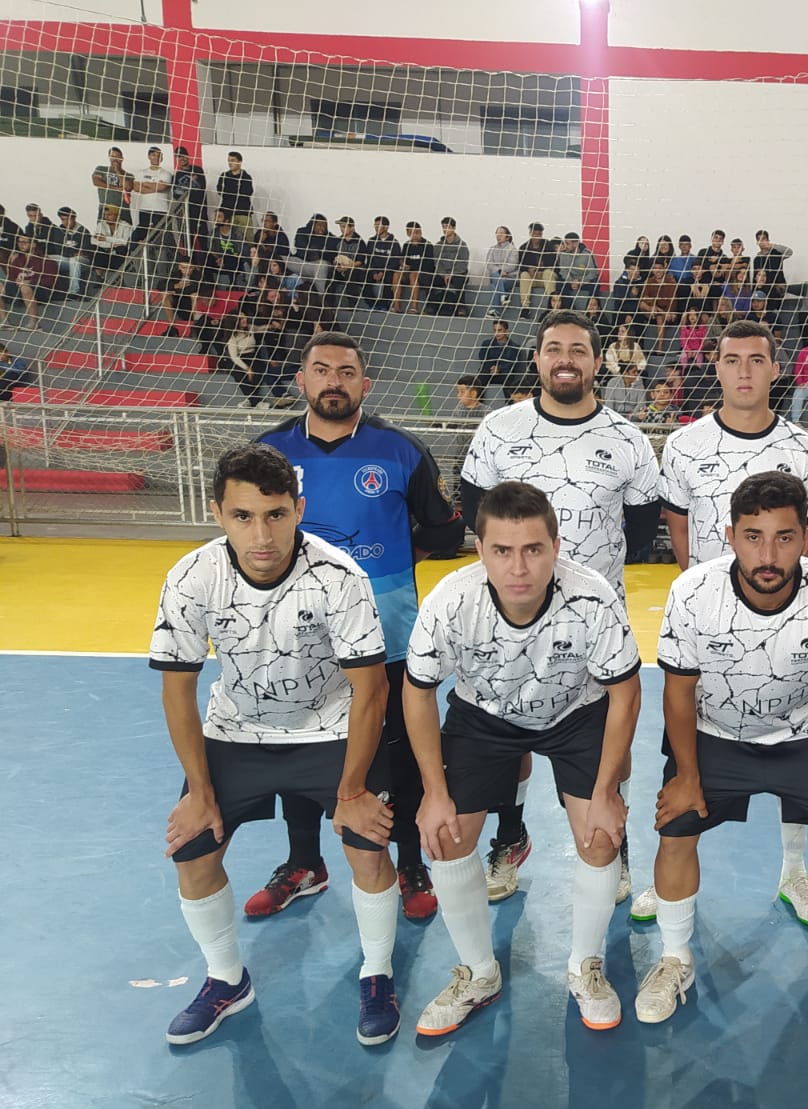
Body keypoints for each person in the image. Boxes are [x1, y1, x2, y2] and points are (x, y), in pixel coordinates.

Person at [150, 443, 401, 1047]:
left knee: (367, 845)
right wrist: (199, 792)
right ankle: (226, 979)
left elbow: (372, 689)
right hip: (237, 733)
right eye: (242, 516)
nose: (261, 534)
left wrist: (351, 791)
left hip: (332, 730)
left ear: (298, 508)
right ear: (217, 513)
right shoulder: (192, 576)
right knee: (193, 850)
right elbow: (178, 693)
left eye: (276, 514)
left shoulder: (340, 576)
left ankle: (377, 972)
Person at [403, 481, 642, 1034]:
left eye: (533, 549)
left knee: (600, 837)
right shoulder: (451, 601)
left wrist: (607, 792)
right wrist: (434, 793)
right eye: (502, 551)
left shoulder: (592, 596)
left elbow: (626, 692)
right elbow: (418, 691)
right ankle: (478, 972)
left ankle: (586, 966)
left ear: (556, 547)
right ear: (480, 549)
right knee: (445, 835)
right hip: (483, 715)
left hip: (574, 713)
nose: (518, 567)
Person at [637, 470, 808, 1026]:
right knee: (675, 827)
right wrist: (687, 774)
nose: (768, 553)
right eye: (753, 536)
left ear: (805, 538)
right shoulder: (692, 592)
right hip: (716, 736)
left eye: (784, 537)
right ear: (729, 535)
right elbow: (678, 693)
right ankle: (674, 959)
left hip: (806, 737)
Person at [250, 332, 465, 922]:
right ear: (302, 381)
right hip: (296, 638)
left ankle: (410, 862)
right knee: (302, 742)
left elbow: (446, 533)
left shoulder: (400, 450)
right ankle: (304, 863)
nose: (334, 381)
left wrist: (394, 557)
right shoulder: (269, 452)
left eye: (347, 372)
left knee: (399, 745)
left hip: (387, 633)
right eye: (321, 370)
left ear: (365, 384)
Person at [460, 311, 660, 903]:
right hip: (507, 615)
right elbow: (475, 514)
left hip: (596, 625)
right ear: (538, 359)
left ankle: (613, 846)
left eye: (578, 348)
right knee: (508, 733)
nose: (565, 358)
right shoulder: (499, 430)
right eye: (553, 348)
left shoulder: (627, 439)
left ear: (599, 362)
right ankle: (510, 835)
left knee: (607, 744)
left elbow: (643, 528)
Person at [644, 319, 808, 924]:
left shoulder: (804, 448)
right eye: (733, 360)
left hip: (786, 624)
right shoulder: (684, 444)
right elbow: (678, 525)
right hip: (709, 632)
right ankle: (672, 869)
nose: (746, 371)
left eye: (758, 360)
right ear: (718, 367)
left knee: (797, 734)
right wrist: (704, 597)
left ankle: (795, 873)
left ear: (777, 369)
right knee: (687, 744)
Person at [475, 320, 528, 401]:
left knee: (511, 381)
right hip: (489, 372)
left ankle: (510, 404)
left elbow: (511, 364)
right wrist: (492, 368)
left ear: (506, 331)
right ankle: (477, 404)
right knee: (479, 379)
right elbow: (483, 358)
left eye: (499, 330)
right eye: (494, 330)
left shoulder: (514, 347)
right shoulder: (486, 343)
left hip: (505, 374)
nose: (496, 333)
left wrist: (499, 369)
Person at [430, 218, 471, 316]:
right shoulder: (438, 245)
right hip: (442, 274)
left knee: (459, 281)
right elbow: (437, 262)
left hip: (458, 273)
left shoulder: (462, 245)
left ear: (454, 228)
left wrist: (452, 274)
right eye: (443, 227)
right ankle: (431, 306)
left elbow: (463, 263)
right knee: (430, 280)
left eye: (448, 227)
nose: (445, 230)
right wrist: (444, 274)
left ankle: (461, 308)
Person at [516, 222, 557, 317]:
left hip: (546, 276)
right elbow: (520, 265)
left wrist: (541, 267)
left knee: (548, 273)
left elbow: (554, 263)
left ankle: (552, 305)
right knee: (524, 275)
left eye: (539, 234)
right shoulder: (524, 248)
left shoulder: (548, 245)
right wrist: (528, 268)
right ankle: (525, 308)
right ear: (530, 233)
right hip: (533, 277)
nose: (537, 237)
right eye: (535, 234)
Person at [215, 152, 254, 246]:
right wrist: (236, 189)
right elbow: (220, 191)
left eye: (233, 160)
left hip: (243, 212)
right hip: (228, 214)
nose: (230, 163)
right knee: (230, 242)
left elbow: (247, 192)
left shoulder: (246, 177)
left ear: (240, 162)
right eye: (228, 160)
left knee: (247, 241)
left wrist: (230, 190)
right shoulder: (224, 176)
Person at [53, 207, 90, 299]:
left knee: (74, 261)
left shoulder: (83, 231)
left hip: (83, 260)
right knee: (47, 259)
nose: (65, 222)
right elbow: (58, 249)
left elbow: (84, 250)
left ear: (73, 218)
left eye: (67, 219)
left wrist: (71, 253)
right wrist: (73, 253)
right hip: (66, 258)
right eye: (63, 220)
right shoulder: (59, 230)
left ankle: (74, 292)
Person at [484, 226, 518, 316]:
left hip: (509, 277)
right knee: (495, 274)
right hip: (496, 276)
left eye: (501, 233)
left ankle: (495, 311)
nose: (498, 236)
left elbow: (512, 265)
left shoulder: (512, 249)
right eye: (497, 233)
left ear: (507, 236)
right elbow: (489, 264)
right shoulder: (492, 249)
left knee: (495, 285)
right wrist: (499, 271)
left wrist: (501, 271)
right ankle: (503, 295)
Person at [92, 146, 130, 224]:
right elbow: (96, 182)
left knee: (126, 233)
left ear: (122, 158)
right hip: (105, 209)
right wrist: (116, 188)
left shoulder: (128, 175)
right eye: (113, 156)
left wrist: (117, 171)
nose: (115, 159)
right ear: (109, 157)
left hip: (122, 209)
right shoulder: (101, 169)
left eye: (117, 157)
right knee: (102, 232)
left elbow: (127, 187)